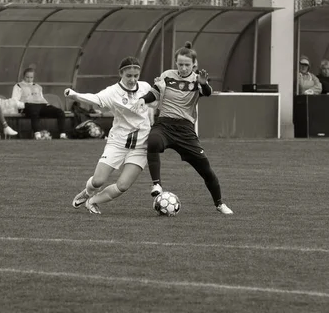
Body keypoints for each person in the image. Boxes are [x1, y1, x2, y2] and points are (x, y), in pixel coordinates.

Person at [131, 42, 233, 215]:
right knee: (153, 141)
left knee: (206, 170)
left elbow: (207, 93)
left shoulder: (197, 79)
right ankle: (156, 184)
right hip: (164, 124)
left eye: (187, 65)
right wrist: (143, 99)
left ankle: (219, 204)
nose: (183, 68)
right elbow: (154, 92)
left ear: (194, 65)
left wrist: (204, 83)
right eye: (180, 64)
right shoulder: (167, 76)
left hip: (185, 130)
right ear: (176, 64)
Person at [65, 57, 153, 214]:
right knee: (98, 180)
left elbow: (158, 97)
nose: (133, 79)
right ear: (121, 74)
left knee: (123, 186)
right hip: (118, 143)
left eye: (136, 76)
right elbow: (95, 98)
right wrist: (75, 95)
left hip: (141, 146)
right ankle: (88, 192)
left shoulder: (145, 87)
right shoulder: (113, 92)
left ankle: (92, 202)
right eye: (129, 76)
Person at [11, 68, 67, 140]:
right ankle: (37, 134)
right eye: (27, 77)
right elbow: (14, 101)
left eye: (31, 77)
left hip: (41, 105)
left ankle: (62, 134)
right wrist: (24, 105)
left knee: (60, 112)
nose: (29, 79)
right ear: (23, 76)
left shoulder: (38, 87)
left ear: (33, 77)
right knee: (34, 112)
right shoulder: (18, 86)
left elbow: (41, 98)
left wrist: (47, 104)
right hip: (28, 106)